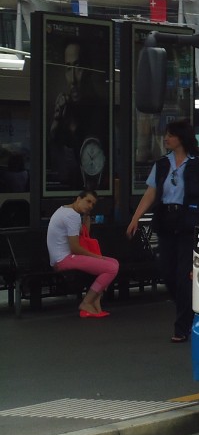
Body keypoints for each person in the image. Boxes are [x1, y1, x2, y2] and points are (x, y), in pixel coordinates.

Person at [126, 120, 199, 343]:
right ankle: (186, 309)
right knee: (167, 272)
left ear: (181, 138)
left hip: (188, 222)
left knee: (184, 275)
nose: (166, 139)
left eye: (170, 135)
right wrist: (136, 218)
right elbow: (151, 193)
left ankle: (182, 326)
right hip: (166, 220)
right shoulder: (162, 164)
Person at [46, 190, 119, 318]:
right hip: (64, 259)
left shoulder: (65, 210)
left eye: (93, 204)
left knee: (114, 262)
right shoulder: (71, 216)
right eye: (88, 201)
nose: (90, 205)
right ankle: (87, 302)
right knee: (111, 268)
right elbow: (75, 248)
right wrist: (98, 257)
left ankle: (95, 300)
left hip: (63, 258)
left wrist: (87, 216)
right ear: (78, 199)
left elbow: (84, 234)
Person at [48, 40, 108, 190]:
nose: (73, 80)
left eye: (78, 67)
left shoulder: (101, 110)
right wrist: (56, 123)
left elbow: (92, 162)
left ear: (89, 70)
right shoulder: (65, 108)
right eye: (68, 68)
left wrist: (73, 126)